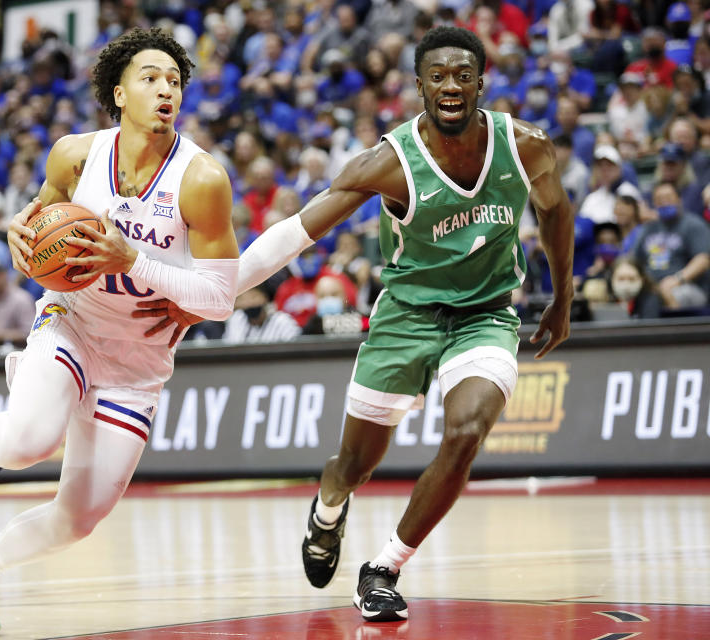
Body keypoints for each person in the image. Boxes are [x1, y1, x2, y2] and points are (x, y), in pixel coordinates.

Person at [136, 26, 574, 623]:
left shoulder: (526, 146)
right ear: (418, 86)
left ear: (481, 84)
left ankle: (385, 567)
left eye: (463, 76)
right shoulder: (387, 163)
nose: (451, 86)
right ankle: (328, 509)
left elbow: (555, 212)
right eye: (438, 76)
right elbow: (294, 235)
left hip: (486, 313)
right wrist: (209, 292)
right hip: (405, 317)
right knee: (354, 465)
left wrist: (563, 299)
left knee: (467, 431)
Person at [0, 28, 238, 639]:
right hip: (72, 321)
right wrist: (19, 236)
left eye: (174, 81)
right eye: (150, 78)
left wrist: (132, 261)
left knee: (79, 518)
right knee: (29, 439)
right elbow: (38, 224)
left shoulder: (201, 179)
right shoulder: (75, 155)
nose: (165, 89)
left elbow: (220, 298)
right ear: (118, 92)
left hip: (139, 362)